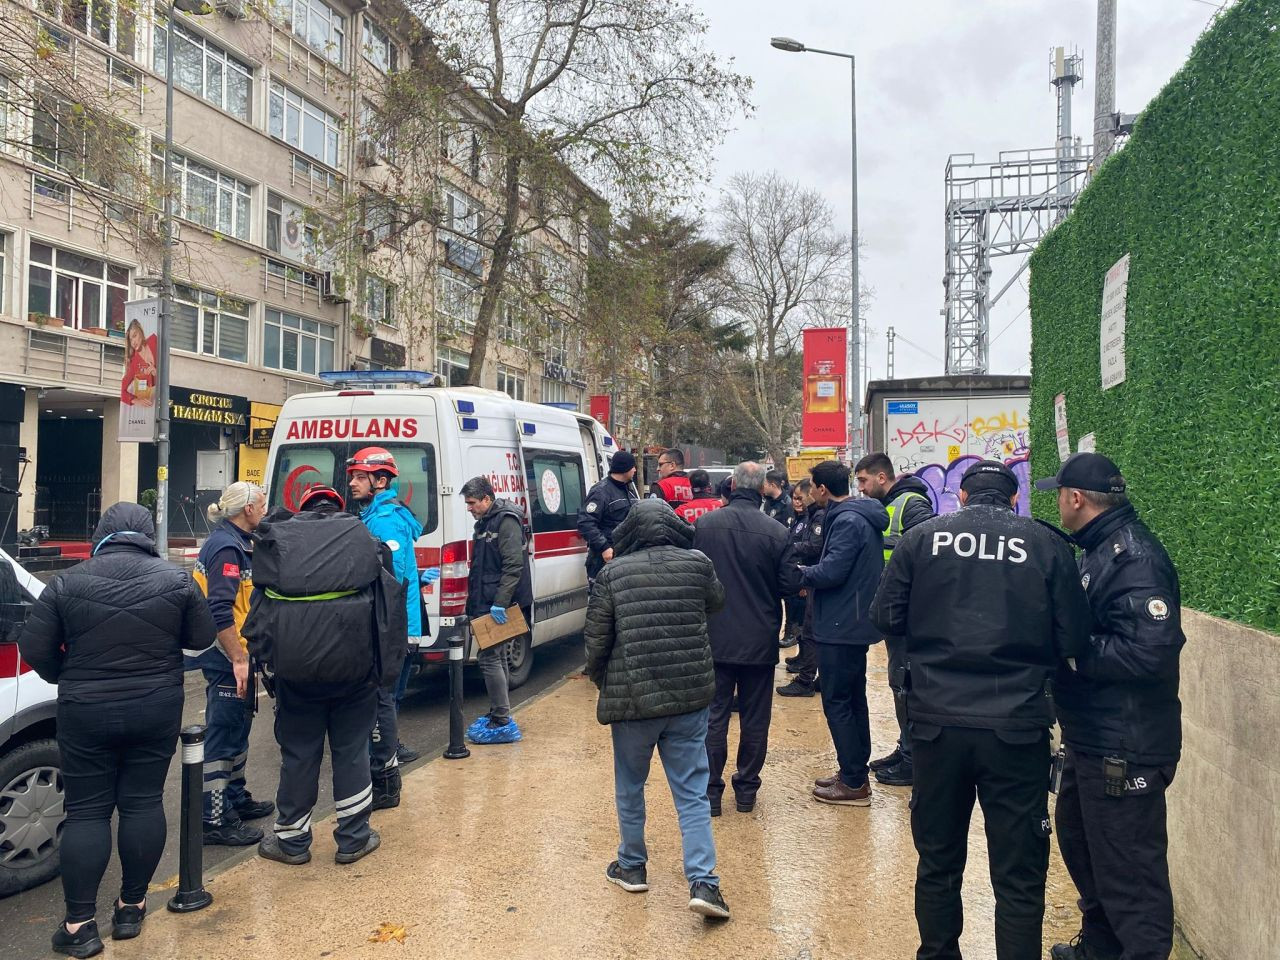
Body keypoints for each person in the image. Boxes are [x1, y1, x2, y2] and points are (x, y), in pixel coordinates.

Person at [871, 460, 1091, 960]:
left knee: (938, 860)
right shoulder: (1045, 543)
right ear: (1014, 500)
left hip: (935, 723)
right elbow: (1075, 636)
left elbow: (884, 616)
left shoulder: (922, 539)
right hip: (1017, 725)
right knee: (1018, 872)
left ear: (963, 498)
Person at [20, 503, 218, 957]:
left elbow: (35, 649)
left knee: (88, 812)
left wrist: (67, 677)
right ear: (147, 535)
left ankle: (79, 925)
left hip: (85, 708)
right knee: (143, 803)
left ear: (101, 533)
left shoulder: (67, 582)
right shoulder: (176, 580)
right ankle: (131, 907)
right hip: (155, 705)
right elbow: (200, 638)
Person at [1035, 453, 1186, 960]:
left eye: (1059, 493)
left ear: (1076, 499)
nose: (1056, 501)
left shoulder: (1134, 557)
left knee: (1131, 877)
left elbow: (1150, 649)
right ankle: (1099, 949)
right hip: (1093, 737)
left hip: (1126, 743)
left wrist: (1071, 651)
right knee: (1083, 845)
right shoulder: (1098, 549)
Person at [583, 500, 731, 921]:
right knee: (691, 791)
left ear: (630, 530)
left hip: (633, 700)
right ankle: (704, 883)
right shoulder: (697, 564)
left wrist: (601, 679)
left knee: (630, 785)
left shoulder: (613, 573)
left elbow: (596, 641)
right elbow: (715, 603)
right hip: (689, 696)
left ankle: (631, 866)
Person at [246, 485, 392, 867]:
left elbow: (258, 620)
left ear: (303, 510)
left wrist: (270, 667)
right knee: (352, 753)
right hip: (356, 676)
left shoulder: (281, 546)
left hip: (296, 678)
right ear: (339, 510)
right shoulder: (365, 541)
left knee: (298, 755)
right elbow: (386, 613)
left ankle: (292, 842)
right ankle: (353, 839)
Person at [691, 461, 802, 815]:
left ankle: (711, 792)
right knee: (755, 718)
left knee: (714, 715)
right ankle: (747, 790)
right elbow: (788, 586)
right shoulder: (777, 531)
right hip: (759, 638)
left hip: (715, 636)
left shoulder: (705, 525)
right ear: (760, 488)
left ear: (733, 483)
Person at [800, 460, 888, 807]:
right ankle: (853, 771)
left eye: (812, 488)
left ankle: (853, 783)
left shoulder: (848, 520)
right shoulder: (856, 515)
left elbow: (833, 571)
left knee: (839, 701)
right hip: (848, 622)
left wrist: (802, 573)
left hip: (841, 625)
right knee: (853, 699)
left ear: (822, 489)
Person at [190, 481, 274, 846]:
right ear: (249, 509)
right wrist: (239, 659)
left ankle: (235, 798)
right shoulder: (226, 547)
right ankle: (214, 818)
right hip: (227, 657)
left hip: (239, 654)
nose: (266, 510)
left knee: (238, 729)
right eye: (263, 504)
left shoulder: (238, 542)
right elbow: (219, 610)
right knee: (223, 735)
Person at [347, 446, 424, 810]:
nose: (352, 483)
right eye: (352, 477)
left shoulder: (385, 520)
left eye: (360, 477)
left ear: (381, 481)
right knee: (387, 698)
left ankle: (384, 767)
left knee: (383, 698)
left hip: (390, 624)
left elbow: (393, 580)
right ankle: (387, 750)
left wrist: (401, 631)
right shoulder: (378, 514)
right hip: (394, 622)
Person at [854, 451, 936, 788]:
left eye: (863, 480)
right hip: (896, 609)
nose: (860, 488)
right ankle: (906, 749)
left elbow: (925, 544)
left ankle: (915, 760)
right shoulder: (888, 505)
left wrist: (874, 542)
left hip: (911, 611)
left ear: (882, 478)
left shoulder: (911, 503)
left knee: (907, 685)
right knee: (898, 683)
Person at [457, 475, 532, 745]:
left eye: (472, 502)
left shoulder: (506, 521)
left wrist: (501, 602)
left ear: (487, 499)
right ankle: (499, 713)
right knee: (496, 658)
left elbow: (513, 567)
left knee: (489, 658)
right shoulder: (486, 522)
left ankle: (501, 718)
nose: (469, 508)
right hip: (486, 600)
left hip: (498, 603)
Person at [778, 479, 824, 697]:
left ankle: (806, 680)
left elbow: (815, 546)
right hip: (809, 577)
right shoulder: (806, 516)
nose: (796, 501)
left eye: (799, 497)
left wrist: (789, 546)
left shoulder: (818, 516)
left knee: (810, 631)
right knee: (808, 630)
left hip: (813, 578)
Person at [577, 450, 640, 582]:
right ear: (624, 468)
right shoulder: (601, 492)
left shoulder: (629, 491)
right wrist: (604, 547)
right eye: (632, 466)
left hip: (627, 557)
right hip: (604, 560)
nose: (635, 469)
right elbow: (586, 523)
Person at [120, 319, 157, 407]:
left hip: (162, 401)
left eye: (135, 336)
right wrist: (134, 400)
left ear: (141, 332)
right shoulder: (134, 362)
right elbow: (122, 391)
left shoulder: (154, 340)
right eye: (130, 339)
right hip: (148, 406)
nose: (133, 342)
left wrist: (156, 373)